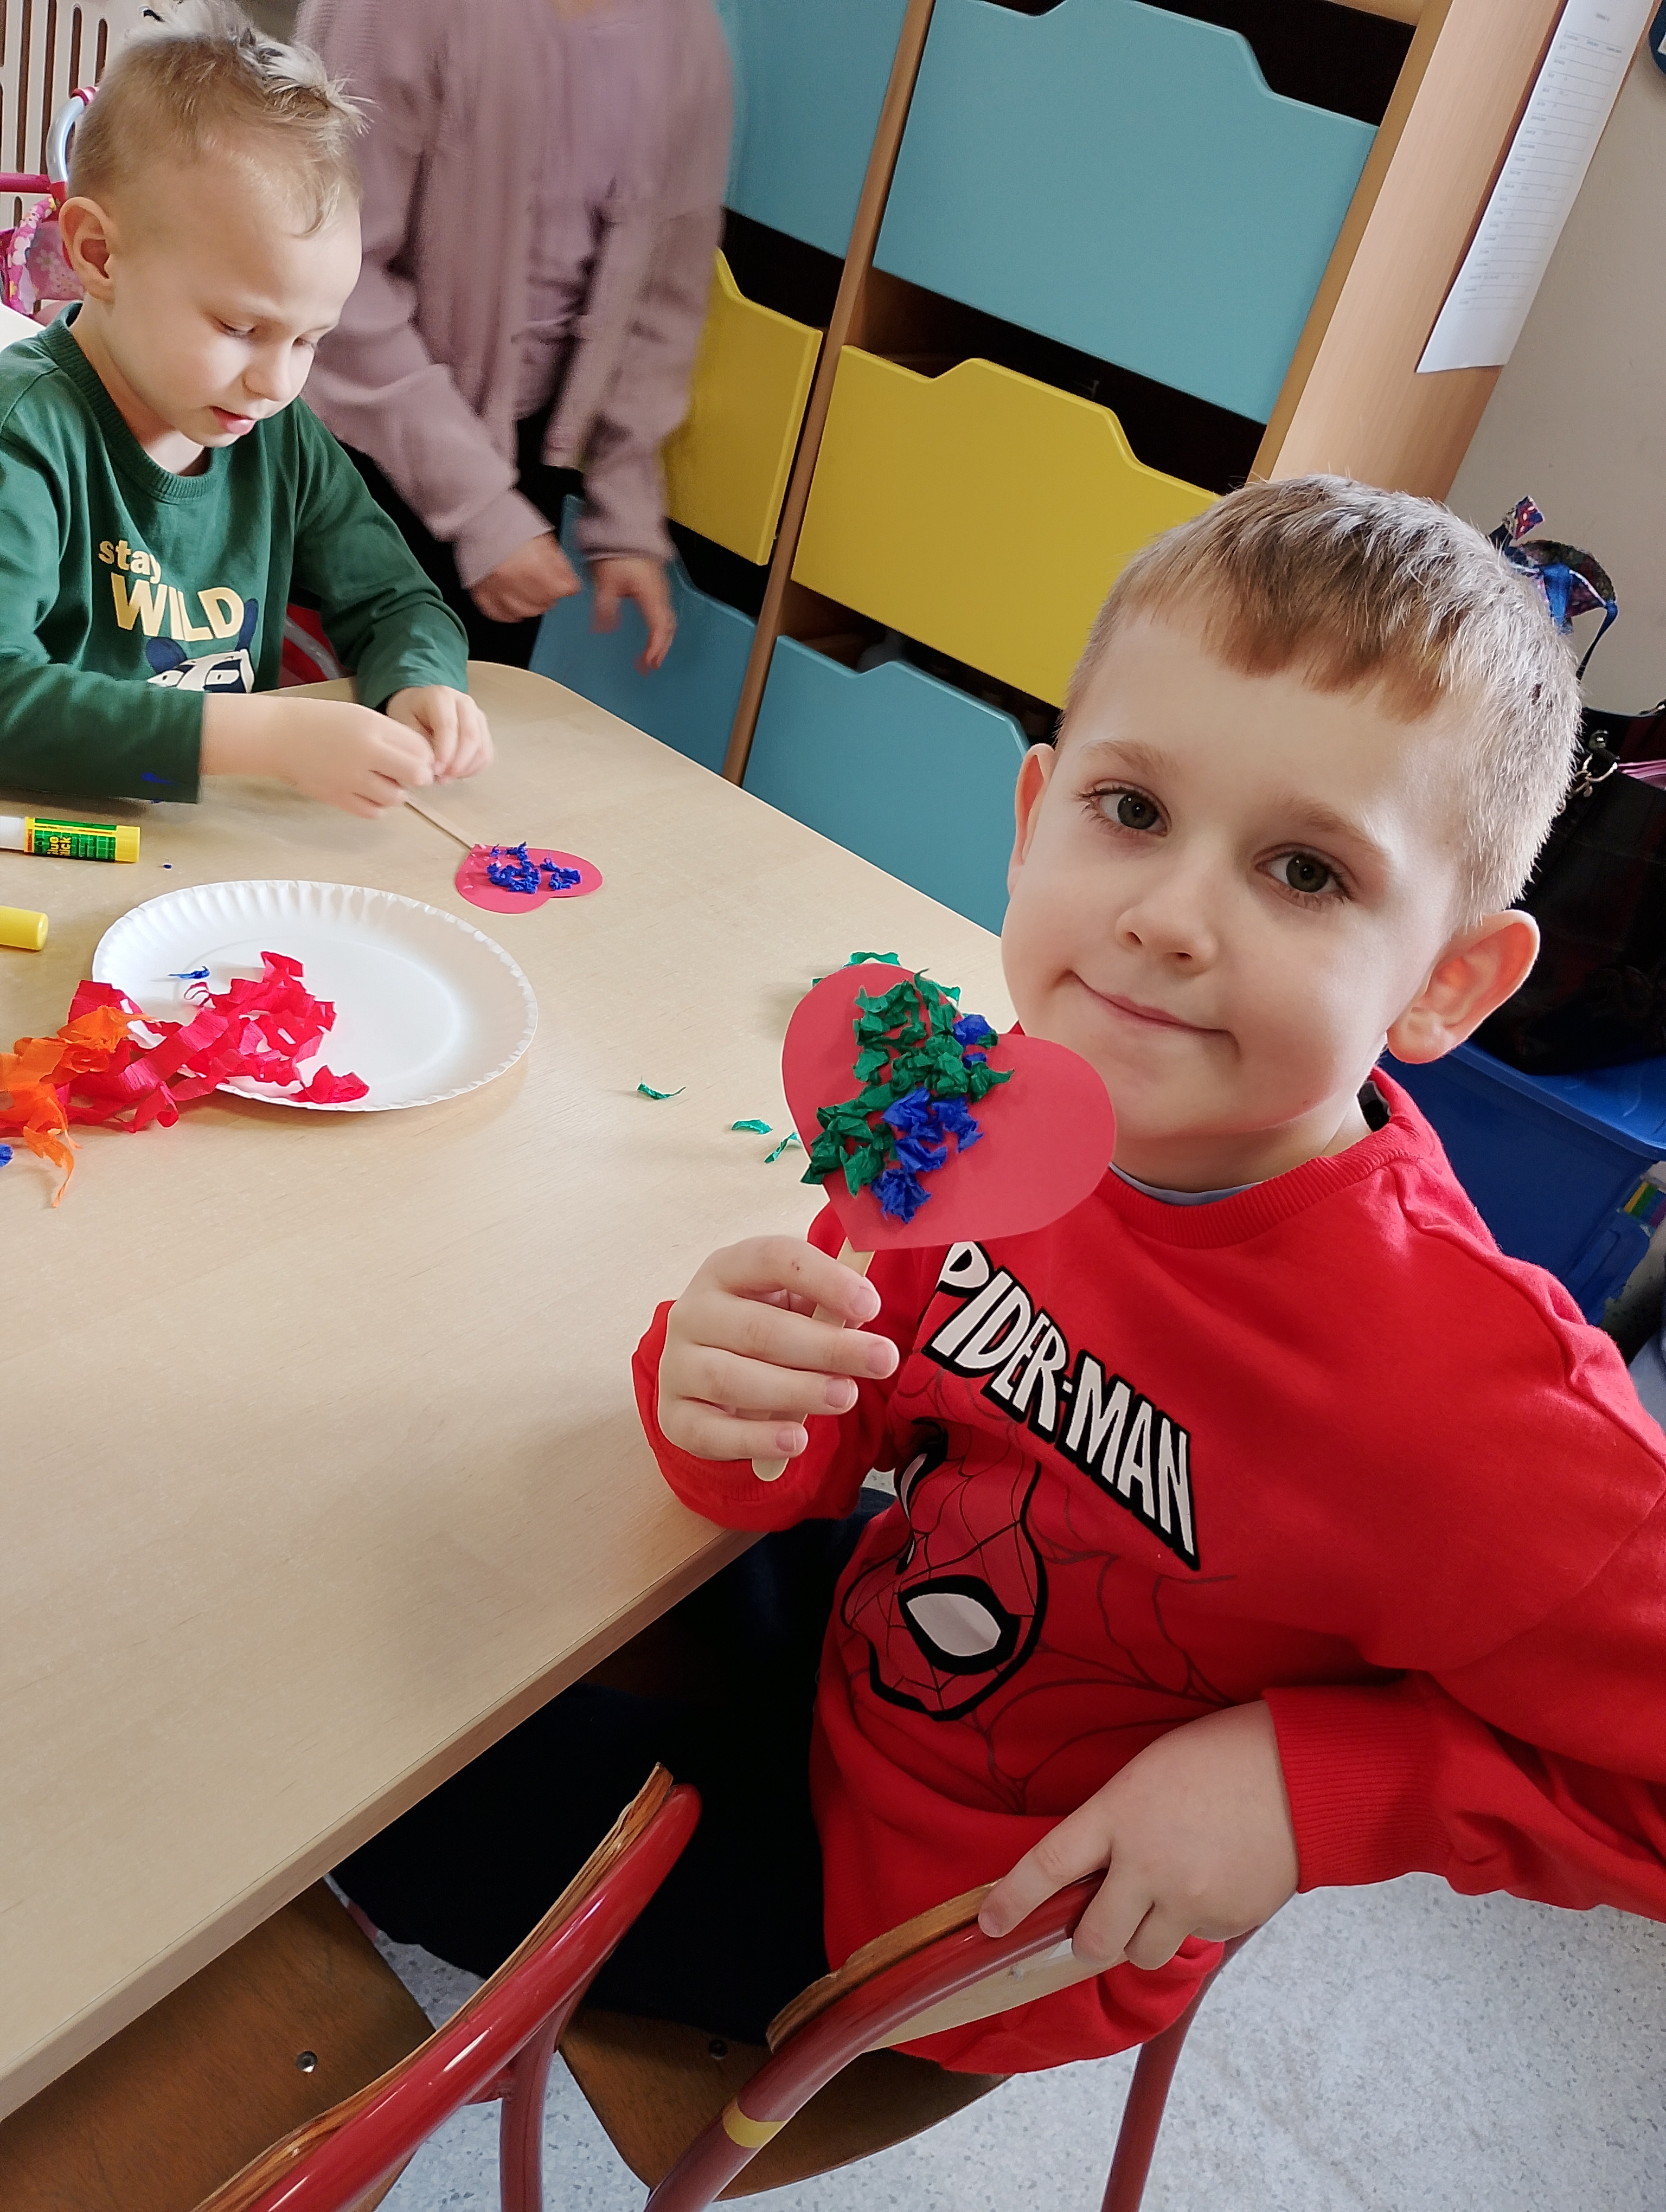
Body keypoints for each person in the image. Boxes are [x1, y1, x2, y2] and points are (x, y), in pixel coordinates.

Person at [336, 478, 1666, 2078]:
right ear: (1034, 817)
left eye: (1306, 871)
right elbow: (836, 1434)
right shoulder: (989, 1102)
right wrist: (726, 1390)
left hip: (951, 1924)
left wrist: (1320, 1785)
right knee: (402, 1601)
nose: (1164, 919)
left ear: (1446, 979)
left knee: (357, 1807)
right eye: (1131, 809)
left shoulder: (1468, 1400)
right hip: (874, 1640)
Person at [0, 3, 490, 813]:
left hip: (208, 844)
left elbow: (396, 599)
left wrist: (420, 681)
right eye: (240, 328)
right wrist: (260, 739)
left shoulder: (275, 434)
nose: (277, 383)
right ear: (98, 254)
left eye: (309, 340)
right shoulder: (25, 434)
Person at [295, 0, 732, 673]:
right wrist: (477, 509)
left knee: (455, 716)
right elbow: (332, 271)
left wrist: (624, 506)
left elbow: (663, 289)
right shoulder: (395, 14)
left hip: (519, 465)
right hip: (347, 439)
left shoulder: (683, 30)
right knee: (308, 704)